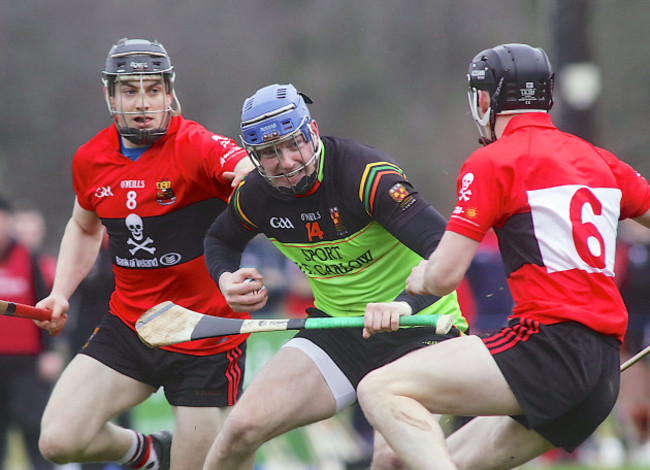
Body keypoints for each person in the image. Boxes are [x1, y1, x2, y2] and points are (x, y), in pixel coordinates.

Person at [357, 43, 650, 470]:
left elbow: (444, 277)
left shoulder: (492, 161)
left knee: (379, 389)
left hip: (546, 348)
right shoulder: (600, 159)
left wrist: (418, 279)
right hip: (602, 370)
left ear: (484, 98)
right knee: (402, 459)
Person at [201, 83, 468, 470]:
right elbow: (219, 239)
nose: (287, 162)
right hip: (339, 330)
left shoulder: (365, 176)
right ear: (254, 156)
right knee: (240, 429)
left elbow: (446, 254)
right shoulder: (255, 195)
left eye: (294, 144)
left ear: (312, 131)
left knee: (392, 458)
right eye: (269, 154)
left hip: (421, 328)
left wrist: (403, 304)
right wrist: (226, 279)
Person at [35, 38, 253, 470]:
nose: (142, 102)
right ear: (109, 95)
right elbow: (83, 225)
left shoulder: (198, 146)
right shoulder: (91, 159)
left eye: (153, 89)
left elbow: (250, 175)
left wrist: (250, 177)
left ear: (169, 93)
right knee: (58, 441)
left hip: (204, 338)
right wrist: (61, 292)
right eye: (129, 90)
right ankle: (150, 451)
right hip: (131, 328)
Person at [0, 195, 61, 470]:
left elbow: (45, 307)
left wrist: (49, 352)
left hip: (26, 361)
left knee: (32, 423)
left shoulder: (29, 257)